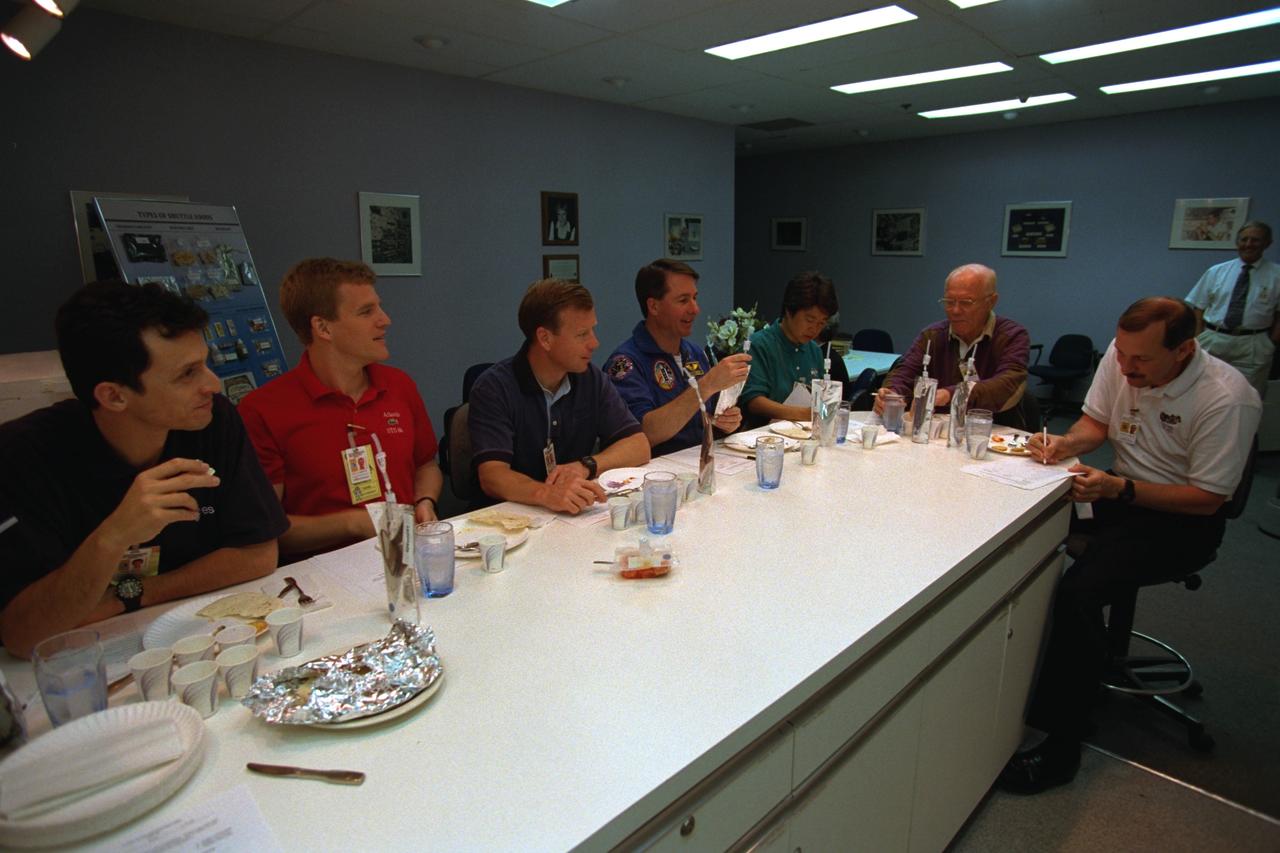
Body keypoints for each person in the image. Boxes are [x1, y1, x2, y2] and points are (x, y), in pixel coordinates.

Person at [999, 297, 1261, 794]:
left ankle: (1062, 743)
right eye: (1120, 354)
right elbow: (1095, 424)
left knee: (1080, 591)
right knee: (1023, 529)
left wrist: (1120, 490)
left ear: (1183, 350)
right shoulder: (1122, 359)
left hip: (1181, 520)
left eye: (1140, 359)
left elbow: (1208, 499)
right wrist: (1064, 444)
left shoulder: (1228, 397)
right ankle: (1047, 678)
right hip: (1121, 490)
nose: (1125, 367)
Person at [0, 282, 287, 658]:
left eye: (206, 363)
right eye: (187, 374)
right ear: (114, 396)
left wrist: (127, 595)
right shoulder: (23, 456)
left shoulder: (212, 420)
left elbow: (259, 553)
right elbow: (24, 634)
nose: (212, 385)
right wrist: (114, 535)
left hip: (198, 635)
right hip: (85, 664)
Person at [238, 259, 442, 559]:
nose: (385, 320)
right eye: (366, 312)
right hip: (318, 580)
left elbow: (426, 465)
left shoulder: (399, 386)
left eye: (379, 307)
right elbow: (265, 531)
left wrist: (425, 501)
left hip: (404, 556)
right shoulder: (263, 410)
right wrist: (353, 523)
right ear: (323, 327)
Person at [469, 278, 650, 514]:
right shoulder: (494, 388)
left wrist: (586, 466)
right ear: (545, 338)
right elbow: (492, 476)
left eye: (593, 329)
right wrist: (546, 493)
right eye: (582, 334)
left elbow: (639, 445)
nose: (595, 343)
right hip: (510, 519)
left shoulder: (589, 378)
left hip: (570, 514)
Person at [605, 259, 751, 456]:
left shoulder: (695, 353)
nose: (695, 309)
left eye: (695, 298)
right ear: (654, 306)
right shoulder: (625, 363)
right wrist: (705, 385)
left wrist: (727, 421)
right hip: (655, 475)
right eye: (683, 300)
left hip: (702, 462)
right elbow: (642, 434)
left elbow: (712, 416)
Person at [875, 263, 1030, 427]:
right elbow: (905, 371)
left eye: (966, 302)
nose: (955, 310)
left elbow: (1006, 385)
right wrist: (892, 392)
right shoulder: (932, 336)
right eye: (949, 301)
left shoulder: (1011, 336)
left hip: (991, 432)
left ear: (991, 301)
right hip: (936, 432)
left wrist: (950, 394)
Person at [1185, 221, 1279, 397]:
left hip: (1253, 343)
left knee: (1247, 395)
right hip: (1214, 338)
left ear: (1267, 243)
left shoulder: (1276, 276)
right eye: (1244, 239)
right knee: (1200, 390)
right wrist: (1199, 335)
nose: (1249, 244)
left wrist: (1271, 342)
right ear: (1237, 242)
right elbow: (1198, 307)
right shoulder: (1217, 272)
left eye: (1255, 240)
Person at [740, 271, 840, 424]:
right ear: (789, 310)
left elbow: (820, 397)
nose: (814, 329)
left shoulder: (814, 350)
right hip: (764, 437)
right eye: (809, 319)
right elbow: (753, 401)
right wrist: (805, 414)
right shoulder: (759, 345)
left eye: (821, 323)